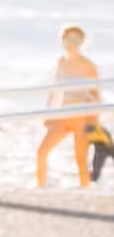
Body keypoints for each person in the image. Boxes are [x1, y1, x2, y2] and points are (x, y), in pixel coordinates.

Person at [37, 24, 101, 187]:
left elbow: (95, 95)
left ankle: (86, 192)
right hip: (62, 117)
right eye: (68, 39)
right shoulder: (61, 62)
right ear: (62, 41)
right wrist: (48, 113)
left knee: (80, 159)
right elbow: (54, 90)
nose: (72, 43)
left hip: (81, 118)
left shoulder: (88, 65)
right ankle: (41, 188)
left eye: (76, 40)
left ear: (82, 42)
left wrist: (93, 123)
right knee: (42, 152)